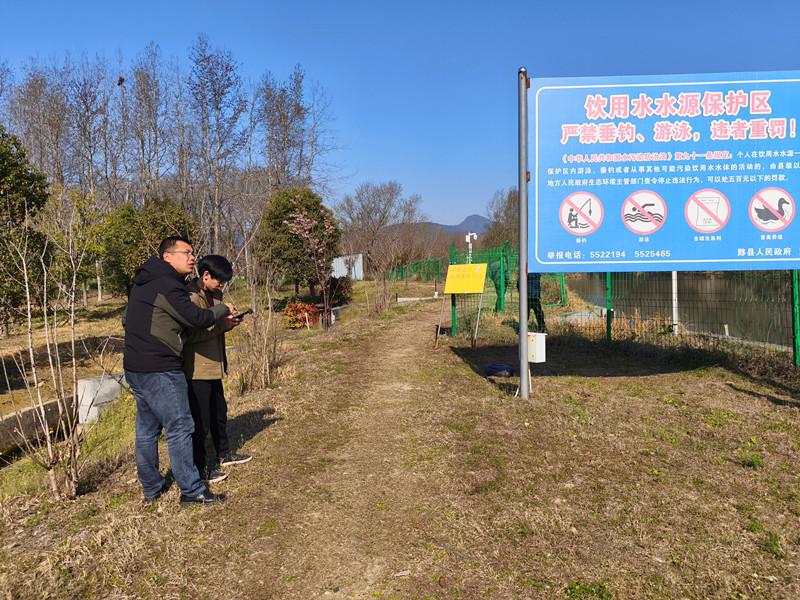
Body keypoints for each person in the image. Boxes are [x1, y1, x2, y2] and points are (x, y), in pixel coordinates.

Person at [123, 236, 234, 506]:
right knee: (180, 426)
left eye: (193, 252)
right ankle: (192, 490)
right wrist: (222, 309)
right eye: (186, 252)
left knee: (147, 430)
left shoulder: (144, 281)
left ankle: (151, 488)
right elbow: (198, 318)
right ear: (167, 257)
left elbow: (127, 319)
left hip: (134, 366)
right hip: (160, 366)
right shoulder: (166, 284)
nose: (192, 257)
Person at [183, 255, 252, 485]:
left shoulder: (216, 295)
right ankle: (201, 468)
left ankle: (224, 454)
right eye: (220, 280)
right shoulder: (190, 297)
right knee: (200, 422)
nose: (223, 285)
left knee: (219, 413)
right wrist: (221, 325)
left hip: (215, 365)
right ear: (205, 276)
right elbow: (191, 335)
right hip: (197, 369)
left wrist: (227, 326)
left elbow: (213, 329)